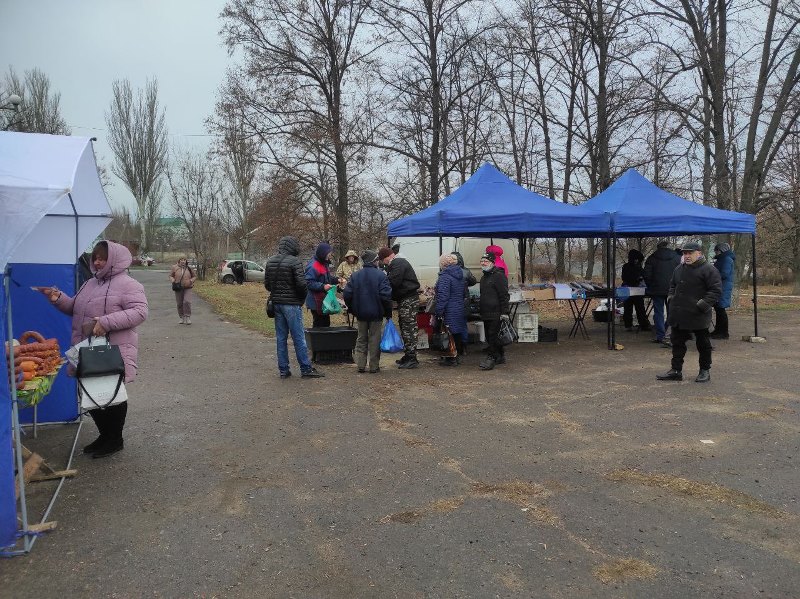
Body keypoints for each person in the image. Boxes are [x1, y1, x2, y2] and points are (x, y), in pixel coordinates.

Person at [38, 241, 148, 458]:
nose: (97, 262)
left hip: (112, 351)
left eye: (102, 258)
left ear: (114, 259)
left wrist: (106, 322)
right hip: (87, 351)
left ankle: (115, 439)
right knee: (92, 395)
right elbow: (74, 307)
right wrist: (57, 298)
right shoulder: (89, 283)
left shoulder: (128, 284)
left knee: (112, 394)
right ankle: (105, 435)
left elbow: (140, 312)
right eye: (95, 257)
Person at [657, 241, 721, 383]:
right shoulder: (679, 269)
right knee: (677, 342)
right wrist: (671, 298)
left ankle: (705, 370)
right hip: (679, 314)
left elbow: (715, 291)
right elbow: (672, 286)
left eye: (690, 253)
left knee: (703, 344)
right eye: (685, 253)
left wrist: (701, 305)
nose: (686, 255)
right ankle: (676, 371)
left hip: (698, 315)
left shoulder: (709, 270)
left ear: (699, 253)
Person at [265, 236, 325, 379]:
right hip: (291, 304)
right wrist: (299, 300)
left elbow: (267, 285)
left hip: (277, 304)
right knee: (298, 337)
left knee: (281, 338)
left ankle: (284, 370)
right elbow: (301, 285)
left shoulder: (270, 261)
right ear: (293, 247)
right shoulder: (295, 262)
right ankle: (305, 368)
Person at [342, 250, 392, 374]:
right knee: (375, 339)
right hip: (376, 313)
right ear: (374, 261)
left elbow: (347, 294)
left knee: (361, 338)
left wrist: (353, 308)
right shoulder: (381, 276)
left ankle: (360, 365)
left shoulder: (355, 275)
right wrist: (387, 312)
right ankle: (374, 366)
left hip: (361, 313)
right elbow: (386, 296)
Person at [379, 246, 421, 369]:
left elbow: (393, 282)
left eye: (383, 260)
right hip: (405, 299)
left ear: (387, 257)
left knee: (409, 327)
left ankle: (412, 357)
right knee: (404, 326)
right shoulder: (398, 262)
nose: (383, 263)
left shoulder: (398, 262)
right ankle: (408, 355)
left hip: (408, 299)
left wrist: (382, 285)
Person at [644, 241, 681, 344]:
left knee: (658, 312)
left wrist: (650, 285)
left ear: (658, 247)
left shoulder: (651, 258)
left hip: (656, 289)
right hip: (672, 290)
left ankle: (660, 335)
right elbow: (682, 273)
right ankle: (669, 334)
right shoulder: (677, 258)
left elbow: (646, 275)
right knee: (671, 312)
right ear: (669, 247)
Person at [433, 254, 467, 366]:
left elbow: (443, 296)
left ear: (443, 264)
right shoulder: (459, 274)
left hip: (449, 309)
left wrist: (438, 311)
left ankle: (450, 358)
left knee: (448, 334)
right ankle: (456, 356)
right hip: (458, 307)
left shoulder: (445, 277)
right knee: (456, 333)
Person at [478, 252, 510, 370]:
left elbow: (504, 295)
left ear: (492, 262)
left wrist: (504, 312)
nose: (483, 263)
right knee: (491, 335)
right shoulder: (483, 277)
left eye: (485, 261)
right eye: (482, 261)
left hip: (496, 312)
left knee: (492, 336)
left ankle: (490, 358)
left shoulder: (499, 276)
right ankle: (500, 356)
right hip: (486, 312)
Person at [305, 242, 341, 328]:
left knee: (325, 323)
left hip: (323, 300)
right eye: (328, 254)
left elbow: (327, 278)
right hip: (315, 301)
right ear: (323, 253)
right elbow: (309, 282)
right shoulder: (313, 266)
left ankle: (323, 341)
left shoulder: (324, 263)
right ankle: (317, 341)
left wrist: (337, 280)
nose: (330, 255)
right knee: (319, 325)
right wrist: (323, 286)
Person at [452, 251, 477, 347]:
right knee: (463, 324)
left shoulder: (446, 271)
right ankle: (464, 345)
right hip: (464, 301)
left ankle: (455, 345)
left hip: (454, 302)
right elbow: (473, 281)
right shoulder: (466, 271)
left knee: (454, 324)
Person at [621, 249, 651, 332]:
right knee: (640, 309)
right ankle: (643, 325)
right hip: (637, 290)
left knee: (628, 308)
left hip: (627, 290)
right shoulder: (638, 268)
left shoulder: (625, 266)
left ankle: (628, 325)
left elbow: (623, 278)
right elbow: (643, 277)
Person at [711, 242, 735, 339]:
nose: (715, 252)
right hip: (720, 286)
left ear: (721, 250)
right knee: (718, 309)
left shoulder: (726, 260)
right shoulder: (723, 259)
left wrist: (712, 278)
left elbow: (724, 274)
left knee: (721, 310)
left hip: (723, 287)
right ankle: (718, 330)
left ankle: (724, 332)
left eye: (716, 250)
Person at [169, 256, 197, 325]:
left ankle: (187, 317)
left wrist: (191, 281)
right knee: (179, 303)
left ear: (186, 261)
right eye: (181, 259)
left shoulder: (189, 268)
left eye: (184, 260)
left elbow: (194, 276)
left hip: (188, 287)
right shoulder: (175, 267)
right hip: (178, 288)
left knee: (187, 301)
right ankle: (181, 317)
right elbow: (170, 275)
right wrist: (173, 280)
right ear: (179, 261)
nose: (183, 261)